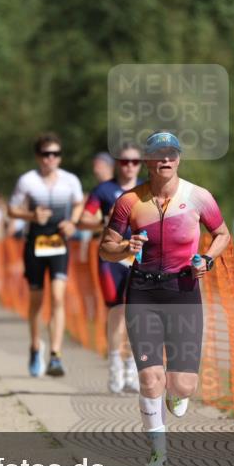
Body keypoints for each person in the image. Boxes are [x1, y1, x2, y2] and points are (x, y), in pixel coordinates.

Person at [100, 131, 230, 466]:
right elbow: (104, 248)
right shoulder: (130, 201)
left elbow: (223, 234)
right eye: (158, 154)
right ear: (147, 161)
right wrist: (125, 248)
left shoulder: (199, 197)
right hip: (143, 291)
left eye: (172, 153)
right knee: (150, 378)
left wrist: (207, 258)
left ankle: (176, 392)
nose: (166, 159)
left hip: (183, 291)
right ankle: (158, 454)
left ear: (179, 159)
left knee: (183, 384)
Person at [7, 132, 85, 378]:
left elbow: (79, 203)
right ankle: (34, 346)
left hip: (59, 243)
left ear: (60, 157)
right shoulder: (27, 181)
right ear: (38, 156)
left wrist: (72, 223)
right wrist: (31, 216)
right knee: (36, 301)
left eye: (55, 154)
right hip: (35, 244)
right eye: (46, 154)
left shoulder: (70, 180)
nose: (50, 159)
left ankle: (55, 355)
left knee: (59, 297)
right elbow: (12, 209)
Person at [79, 143, 143, 393]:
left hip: (139, 256)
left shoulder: (147, 190)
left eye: (134, 162)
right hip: (111, 257)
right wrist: (100, 221)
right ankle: (115, 366)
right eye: (124, 161)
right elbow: (83, 219)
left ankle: (132, 368)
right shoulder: (104, 190)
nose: (129, 167)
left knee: (136, 312)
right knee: (116, 312)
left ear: (141, 165)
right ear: (117, 163)